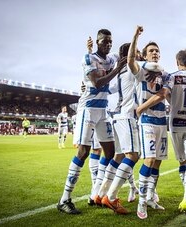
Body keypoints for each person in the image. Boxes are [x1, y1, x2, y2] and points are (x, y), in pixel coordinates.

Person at [136, 49, 186, 222]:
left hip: (176, 125)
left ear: (177, 61)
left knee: (182, 162)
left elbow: (164, 93)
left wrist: (141, 107)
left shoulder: (172, 77)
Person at [57, 28, 126, 214]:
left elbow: (125, 56)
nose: (108, 44)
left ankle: (96, 193)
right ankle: (64, 199)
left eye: (110, 41)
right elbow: (97, 82)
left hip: (103, 110)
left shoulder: (112, 58)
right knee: (83, 151)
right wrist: (118, 69)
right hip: (87, 109)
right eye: (104, 41)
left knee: (111, 152)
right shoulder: (88, 59)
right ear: (97, 42)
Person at [128, 25, 168, 219]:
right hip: (147, 122)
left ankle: (151, 196)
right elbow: (130, 61)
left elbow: (165, 94)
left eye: (157, 51)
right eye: (151, 50)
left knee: (158, 162)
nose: (155, 53)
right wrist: (135, 36)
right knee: (149, 159)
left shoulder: (164, 74)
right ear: (144, 55)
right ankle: (142, 202)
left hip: (162, 122)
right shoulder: (141, 71)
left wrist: (142, 106)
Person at [95, 43, 140, 214]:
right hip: (127, 116)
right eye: (137, 52)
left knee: (119, 156)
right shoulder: (132, 68)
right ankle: (111, 197)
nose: (140, 55)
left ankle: (101, 194)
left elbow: (108, 88)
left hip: (117, 117)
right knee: (133, 156)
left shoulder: (120, 73)